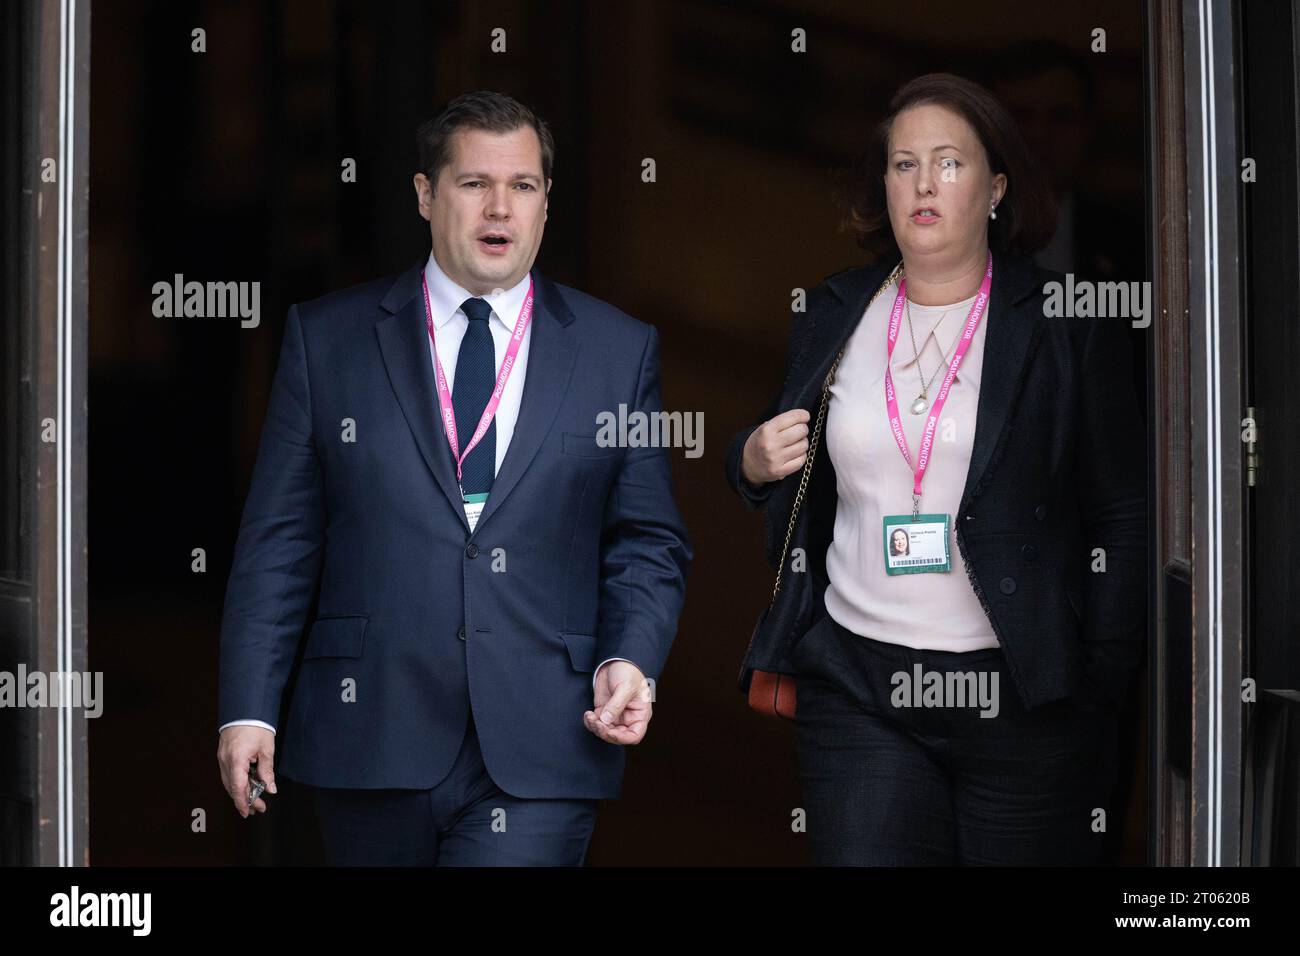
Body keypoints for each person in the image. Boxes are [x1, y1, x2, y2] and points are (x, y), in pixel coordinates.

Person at [216, 90, 691, 866]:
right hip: (370, 733)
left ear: (545, 203)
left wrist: (628, 660)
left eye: (524, 186)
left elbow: (647, 540)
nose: (499, 207)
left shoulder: (617, 351)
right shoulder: (327, 338)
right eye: (474, 184)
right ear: (425, 195)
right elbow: (280, 542)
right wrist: (247, 709)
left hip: (544, 741)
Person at [724, 73, 1145, 865]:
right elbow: (778, 462)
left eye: (950, 163)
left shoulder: (1066, 323)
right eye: (902, 163)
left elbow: (1123, 513)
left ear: (996, 188)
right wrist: (748, 460)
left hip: (1021, 697)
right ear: (882, 185)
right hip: (859, 688)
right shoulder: (834, 311)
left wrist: (1098, 680)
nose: (923, 183)